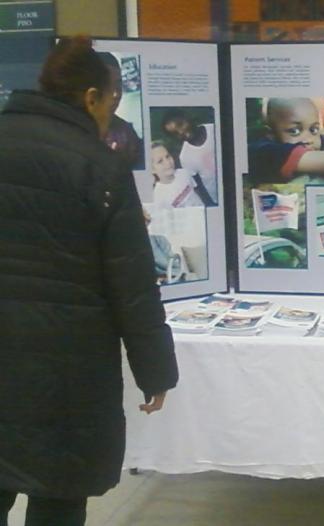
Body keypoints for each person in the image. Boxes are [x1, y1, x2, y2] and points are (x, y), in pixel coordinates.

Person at [0, 37, 178, 526]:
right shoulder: (100, 167)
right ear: (90, 98)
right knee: (59, 490)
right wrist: (156, 371)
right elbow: (132, 282)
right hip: (69, 369)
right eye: (111, 100)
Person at [96, 52, 144, 171]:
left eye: (118, 85)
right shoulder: (70, 130)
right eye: (107, 86)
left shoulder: (127, 133)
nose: (116, 94)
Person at [161, 108, 218, 204]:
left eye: (180, 124)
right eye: (175, 133)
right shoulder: (185, 157)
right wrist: (211, 205)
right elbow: (198, 186)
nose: (180, 132)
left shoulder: (214, 130)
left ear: (187, 117)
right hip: (216, 198)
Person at [150, 140, 206, 209]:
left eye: (167, 156)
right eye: (160, 161)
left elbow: (196, 191)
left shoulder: (184, 173)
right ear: (152, 169)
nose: (167, 162)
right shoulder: (159, 195)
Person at [144, 209, 184, 284]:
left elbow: (175, 267)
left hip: (166, 282)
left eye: (145, 223)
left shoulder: (159, 240)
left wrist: (163, 278)